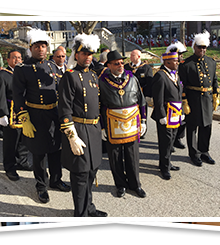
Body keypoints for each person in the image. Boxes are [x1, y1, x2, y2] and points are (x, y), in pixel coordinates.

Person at [12, 29, 70, 204]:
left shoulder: (52, 66)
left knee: (55, 150)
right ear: (31, 48)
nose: (41, 49)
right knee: (39, 154)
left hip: (53, 114)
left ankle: (56, 179)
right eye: (37, 46)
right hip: (35, 115)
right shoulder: (23, 69)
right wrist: (24, 118)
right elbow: (18, 95)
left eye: (43, 46)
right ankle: (41, 186)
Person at [59, 33, 107, 217]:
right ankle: (80, 215)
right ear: (76, 55)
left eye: (90, 53)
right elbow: (64, 109)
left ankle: (89, 207)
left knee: (91, 172)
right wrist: (72, 137)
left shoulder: (94, 76)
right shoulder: (70, 77)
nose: (88, 57)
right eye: (84, 53)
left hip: (93, 130)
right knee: (80, 175)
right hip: (78, 130)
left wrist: (102, 128)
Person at [99, 50, 147, 198]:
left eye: (121, 62)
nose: (120, 65)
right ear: (108, 65)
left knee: (132, 156)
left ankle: (135, 185)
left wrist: (143, 121)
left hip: (132, 123)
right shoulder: (101, 81)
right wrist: (101, 126)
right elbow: (98, 105)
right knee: (115, 157)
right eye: (116, 63)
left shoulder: (132, 78)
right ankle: (120, 185)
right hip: (111, 123)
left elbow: (142, 100)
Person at [178, 30, 220, 167]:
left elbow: (215, 79)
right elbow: (182, 84)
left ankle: (204, 151)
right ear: (194, 47)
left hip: (207, 99)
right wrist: (184, 101)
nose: (202, 50)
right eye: (199, 47)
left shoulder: (211, 62)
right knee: (192, 127)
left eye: (204, 47)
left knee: (207, 126)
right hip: (193, 99)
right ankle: (193, 153)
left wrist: (216, 95)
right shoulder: (185, 64)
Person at [0, 50, 32, 181]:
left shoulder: (25, 73)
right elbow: (0, 97)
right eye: (14, 58)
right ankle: (9, 167)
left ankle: (22, 161)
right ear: (8, 60)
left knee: (24, 138)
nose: (17, 60)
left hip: (25, 111)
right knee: (11, 141)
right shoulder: (2, 75)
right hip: (10, 112)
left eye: (19, 58)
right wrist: (2, 113)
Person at [151, 51, 183, 180]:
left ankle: (167, 163)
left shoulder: (175, 75)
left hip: (175, 113)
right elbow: (158, 98)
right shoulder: (160, 75)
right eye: (175, 61)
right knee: (165, 141)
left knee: (172, 140)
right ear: (167, 62)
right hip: (165, 114)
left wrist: (182, 112)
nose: (177, 62)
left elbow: (179, 95)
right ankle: (164, 168)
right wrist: (161, 115)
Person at [124, 49, 153, 138]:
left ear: (139, 57)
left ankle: (142, 129)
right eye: (131, 55)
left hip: (142, 93)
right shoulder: (126, 67)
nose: (131, 57)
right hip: (129, 94)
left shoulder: (146, 68)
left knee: (142, 111)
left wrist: (148, 95)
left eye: (133, 55)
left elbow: (149, 83)